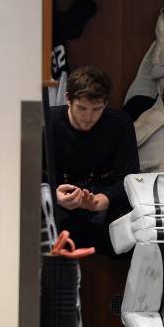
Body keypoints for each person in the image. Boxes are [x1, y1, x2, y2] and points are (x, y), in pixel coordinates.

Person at [45, 65, 139, 254]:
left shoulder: (120, 124)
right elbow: (28, 174)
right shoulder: (48, 122)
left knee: (135, 231)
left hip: (103, 202)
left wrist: (100, 200)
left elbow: (130, 177)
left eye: (96, 109)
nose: (88, 117)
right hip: (57, 203)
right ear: (68, 99)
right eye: (82, 108)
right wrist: (55, 197)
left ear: (105, 104)